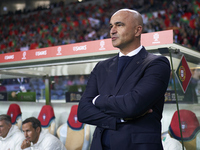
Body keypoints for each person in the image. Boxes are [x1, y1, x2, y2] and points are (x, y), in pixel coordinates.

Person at [77, 8, 171, 150]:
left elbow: (132, 105)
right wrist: (118, 119)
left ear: (137, 30)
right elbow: (83, 111)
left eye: (119, 25)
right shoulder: (101, 67)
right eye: (111, 26)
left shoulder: (157, 63)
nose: (112, 31)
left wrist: (97, 100)